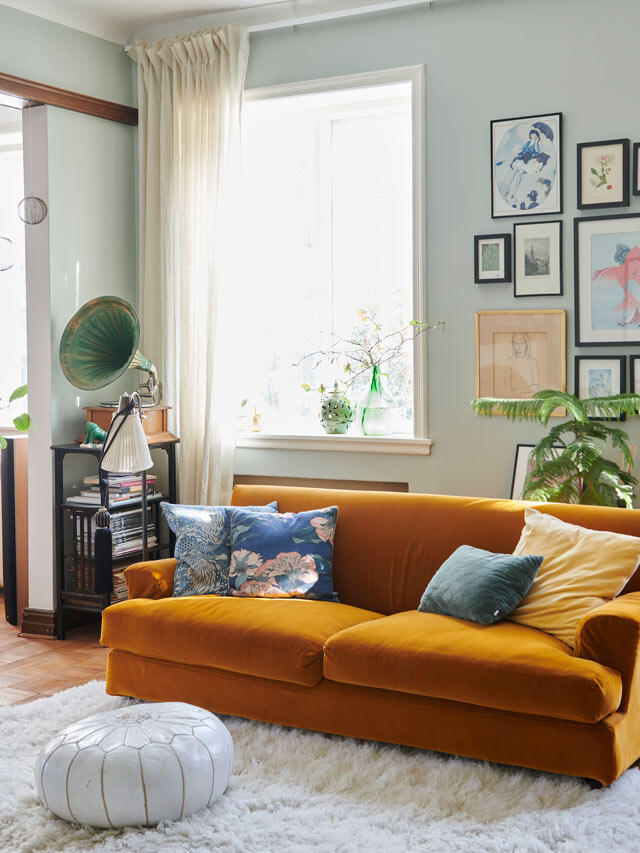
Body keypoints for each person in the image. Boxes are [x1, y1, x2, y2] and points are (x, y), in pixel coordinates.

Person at [505, 332, 539, 397]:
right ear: (513, 345)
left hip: (529, 397)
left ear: (527, 345)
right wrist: (511, 393)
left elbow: (535, 386)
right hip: (513, 397)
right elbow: (507, 381)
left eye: (522, 344)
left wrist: (518, 391)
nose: (519, 347)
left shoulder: (532, 361)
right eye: (516, 344)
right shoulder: (510, 360)